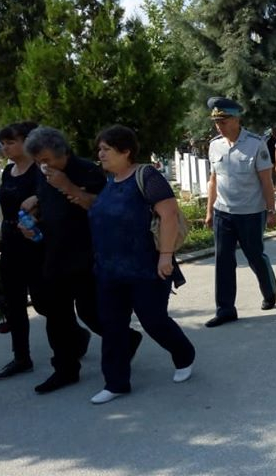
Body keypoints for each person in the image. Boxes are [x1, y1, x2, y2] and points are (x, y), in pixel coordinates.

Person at [21, 127, 142, 394]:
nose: (43, 166)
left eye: (47, 160)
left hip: (87, 254)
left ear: (61, 151)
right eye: (38, 161)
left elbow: (103, 208)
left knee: (91, 312)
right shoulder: (43, 174)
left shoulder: (88, 171)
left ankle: (126, 340)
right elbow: (48, 203)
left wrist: (68, 186)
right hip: (55, 252)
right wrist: (32, 220)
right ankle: (64, 369)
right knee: (57, 315)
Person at [87, 125, 196, 404]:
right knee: (112, 326)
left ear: (126, 151)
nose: (100, 154)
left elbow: (169, 214)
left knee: (154, 321)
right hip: (110, 270)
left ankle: (183, 354)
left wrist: (165, 256)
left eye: (106, 149)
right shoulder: (108, 180)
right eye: (99, 149)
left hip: (146, 267)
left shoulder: (146, 176)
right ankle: (116, 383)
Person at [204, 97, 276, 327]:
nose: (219, 125)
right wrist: (209, 211)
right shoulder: (214, 145)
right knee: (223, 261)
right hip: (223, 212)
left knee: (255, 256)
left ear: (237, 119)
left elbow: (266, 181)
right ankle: (225, 309)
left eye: (224, 120)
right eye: (217, 121)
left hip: (250, 212)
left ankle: (269, 291)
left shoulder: (256, 144)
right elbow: (213, 180)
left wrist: (271, 210)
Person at [0, 121, 43, 380]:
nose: (6, 148)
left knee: (44, 302)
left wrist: (38, 202)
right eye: (3, 144)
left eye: (11, 142)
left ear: (27, 141)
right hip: (12, 241)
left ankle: (77, 336)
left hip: (36, 242)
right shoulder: (7, 173)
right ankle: (21, 357)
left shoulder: (40, 171)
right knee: (14, 303)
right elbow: (5, 211)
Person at [266, 126, 276, 191]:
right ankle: (273, 186)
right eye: (273, 132)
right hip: (271, 159)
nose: (275, 133)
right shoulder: (269, 141)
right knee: (273, 174)